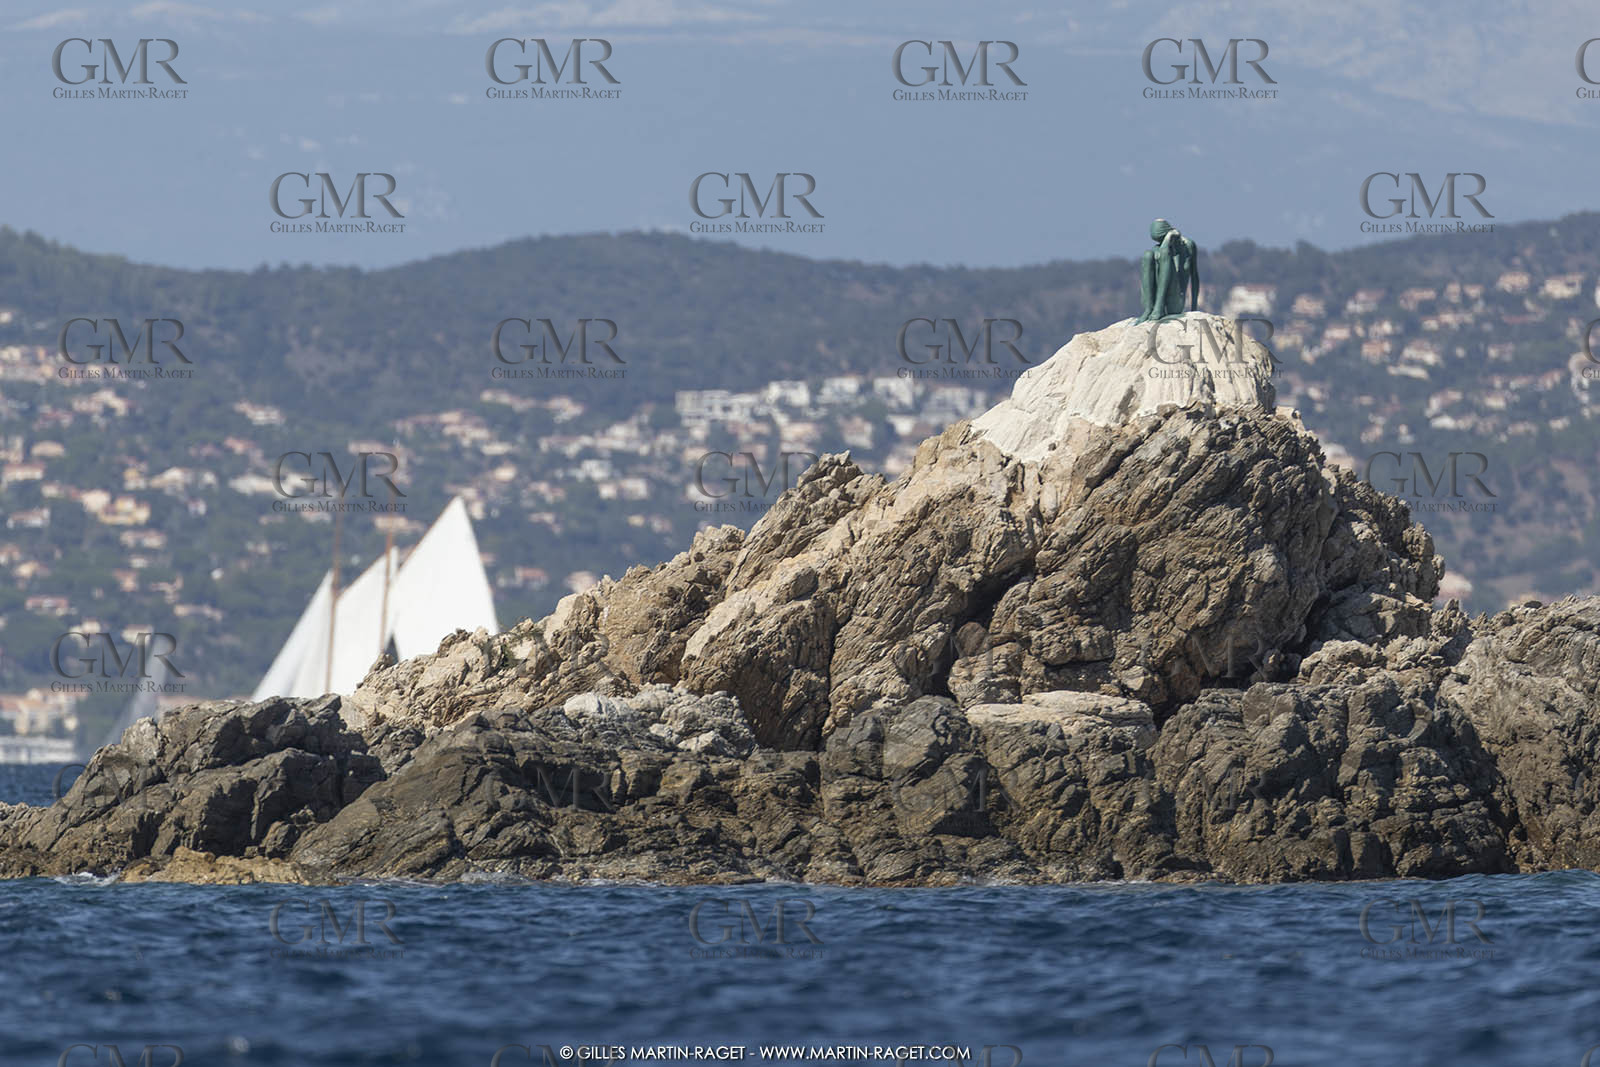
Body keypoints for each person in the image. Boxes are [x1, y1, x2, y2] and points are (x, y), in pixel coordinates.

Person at [1134, 218, 1200, 323]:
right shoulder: (1157, 250)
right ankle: (1149, 309)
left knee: (1165, 255)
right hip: (1153, 304)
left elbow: (1195, 277)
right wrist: (1166, 242)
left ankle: (1159, 308)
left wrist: (1194, 309)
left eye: (1163, 239)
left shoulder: (1188, 246)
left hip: (1174, 302)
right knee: (1147, 255)